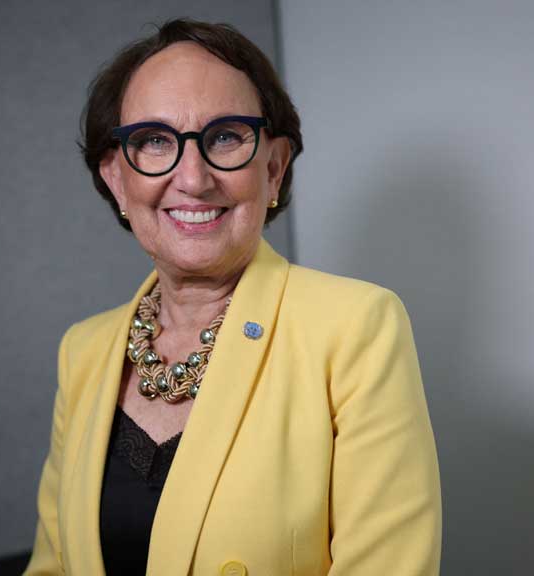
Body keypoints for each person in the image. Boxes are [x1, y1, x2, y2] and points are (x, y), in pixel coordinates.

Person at [23, 19, 441, 576]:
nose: (193, 179)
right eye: (154, 141)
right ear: (117, 179)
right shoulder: (83, 351)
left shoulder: (357, 328)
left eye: (224, 136)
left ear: (274, 168)